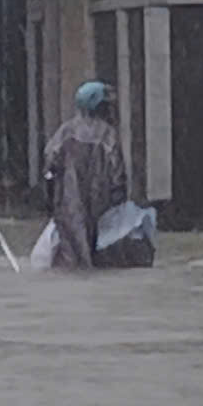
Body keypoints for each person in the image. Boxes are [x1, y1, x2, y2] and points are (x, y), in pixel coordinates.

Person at [41, 79, 132, 270]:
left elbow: (49, 168)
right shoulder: (108, 134)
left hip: (67, 206)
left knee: (71, 259)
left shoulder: (65, 132)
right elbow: (118, 178)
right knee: (97, 259)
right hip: (100, 206)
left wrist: (51, 201)